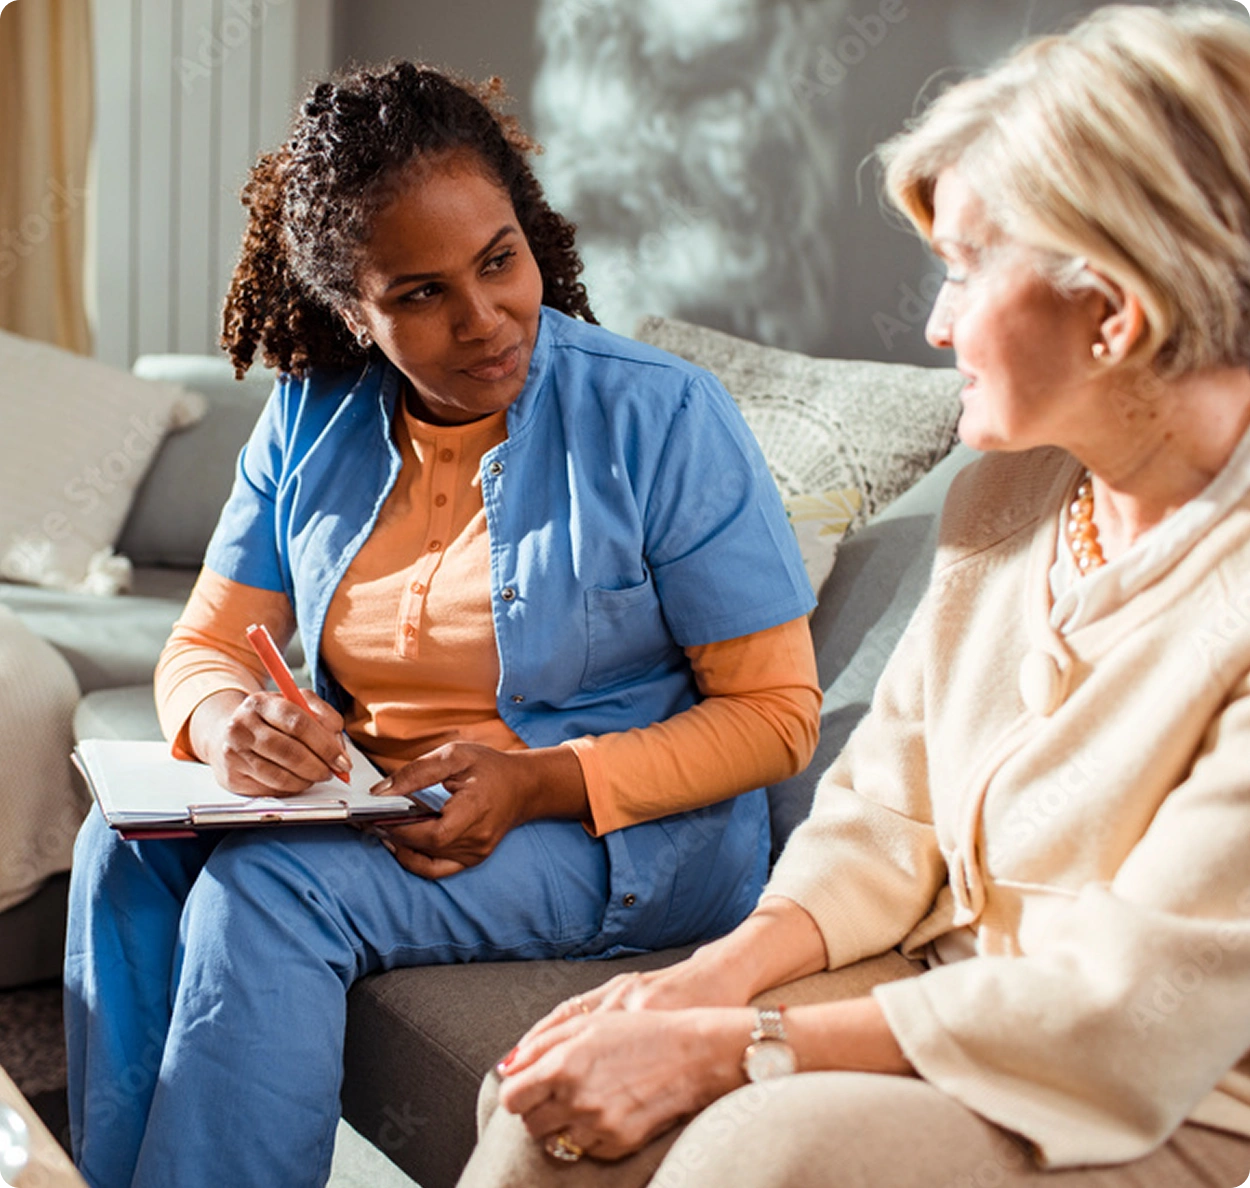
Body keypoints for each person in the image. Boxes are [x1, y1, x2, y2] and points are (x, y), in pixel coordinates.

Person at [461, 6, 1250, 1185]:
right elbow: (887, 815)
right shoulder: (1007, 497)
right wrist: (695, 989)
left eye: (965, 269)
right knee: (547, 1095)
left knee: (763, 1154)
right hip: (952, 988)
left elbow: (1125, 1013)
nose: (934, 326)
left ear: (1113, 310)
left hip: (1170, 1092)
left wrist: (741, 1051)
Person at [62, 63, 822, 1188]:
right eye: (418, 294)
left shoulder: (658, 416)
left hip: (633, 838)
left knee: (265, 892)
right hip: (383, 799)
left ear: (529, 233)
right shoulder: (314, 415)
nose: (484, 322)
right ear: (351, 314)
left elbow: (776, 719)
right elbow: (204, 647)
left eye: (498, 261)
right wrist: (227, 725)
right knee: (123, 850)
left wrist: (536, 782)